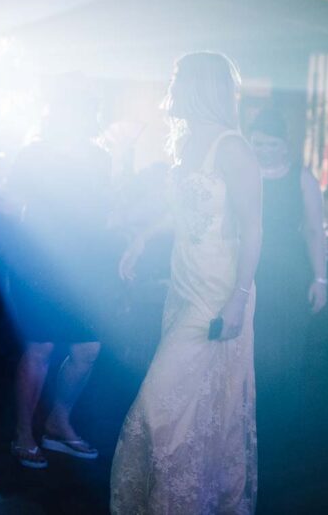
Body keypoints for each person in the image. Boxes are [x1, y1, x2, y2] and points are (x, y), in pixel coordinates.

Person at [111, 52, 261, 514]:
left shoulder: (233, 148)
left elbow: (254, 228)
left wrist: (237, 299)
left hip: (219, 291)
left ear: (198, 86)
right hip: (184, 284)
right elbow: (181, 213)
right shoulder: (189, 141)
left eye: (176, 79)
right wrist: (141, 237)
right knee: (191, 404)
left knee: (159, 405)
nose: (169, 88)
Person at [6, 76, 114, 468]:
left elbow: (106, 209)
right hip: (39, 260)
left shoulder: (101, 158)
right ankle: (22, 433)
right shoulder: (34, 154)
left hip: (85, 263)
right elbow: (14, 205)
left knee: (88, 349)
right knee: (41, 347)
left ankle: (57, 422)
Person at [247, 109, 327, 416]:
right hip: (251, 268)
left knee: (288, 345)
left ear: (284, 145)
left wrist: (321, 280)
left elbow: (314, 229)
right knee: (253, 344)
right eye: (258, 144)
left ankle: (282, 417)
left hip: (291, 271)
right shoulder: (244, 175)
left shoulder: (302, 177)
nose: (265, 150)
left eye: (271, 144)